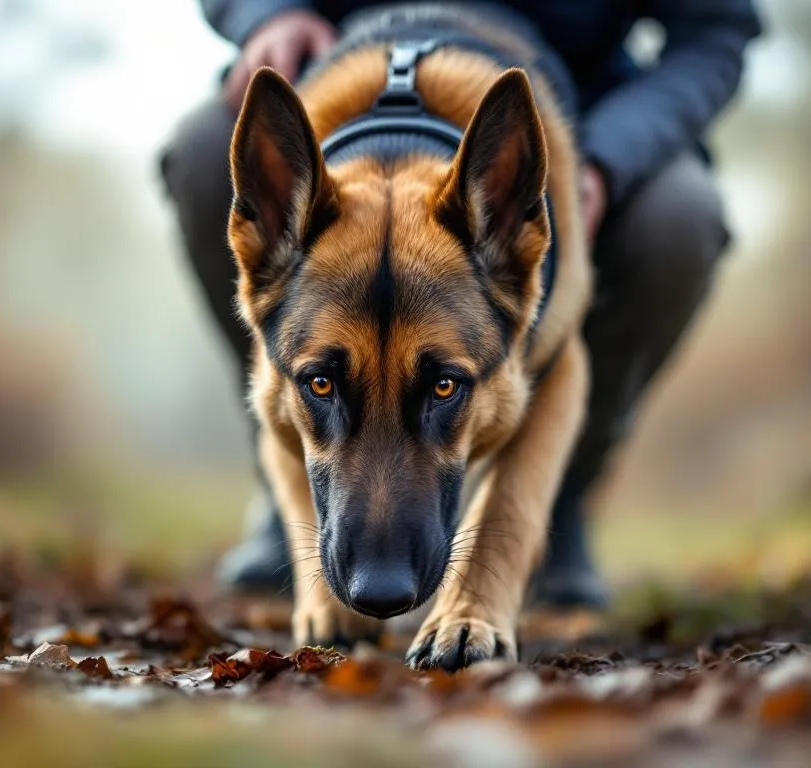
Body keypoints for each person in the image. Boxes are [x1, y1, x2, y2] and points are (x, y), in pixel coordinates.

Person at [160, 0, 762, 607]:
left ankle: (559, 495)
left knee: (677, 217)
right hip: (329, 71)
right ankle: (286, 483)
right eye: (321, 384)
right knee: (203, 153)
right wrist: (267, 14)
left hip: (582, 115)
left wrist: (609, 154)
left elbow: (716, 28)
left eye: (442, 388)